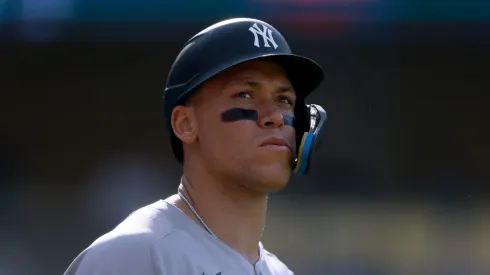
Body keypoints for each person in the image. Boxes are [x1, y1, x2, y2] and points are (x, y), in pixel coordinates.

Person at [63, 17, 327, 275]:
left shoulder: (279, 271)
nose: (276, 116)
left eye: (284, 99)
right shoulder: (136, 254)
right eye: (245, 95)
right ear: (186, 124)